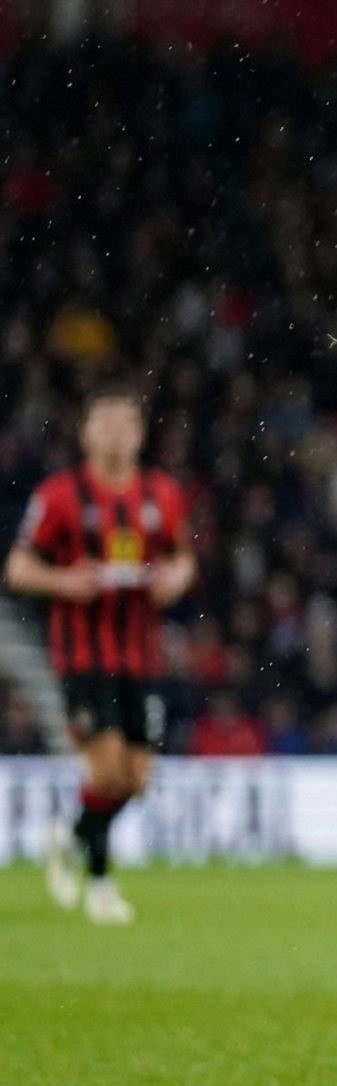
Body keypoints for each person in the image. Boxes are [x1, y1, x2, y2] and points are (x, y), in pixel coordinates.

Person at [6, 385, 196, 925]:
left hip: (143, 658)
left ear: (138, 435)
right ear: (86, 433)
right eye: (104, 423)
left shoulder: (161, 494)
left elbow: (185, 561)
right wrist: (65, 581)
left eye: (124, 423)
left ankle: (72, 834)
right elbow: (19, 568)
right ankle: (101, 886)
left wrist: (172, 582)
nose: (114, 432)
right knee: (108, 771)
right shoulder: (61, 496)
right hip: (83, 659)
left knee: (134, 780)